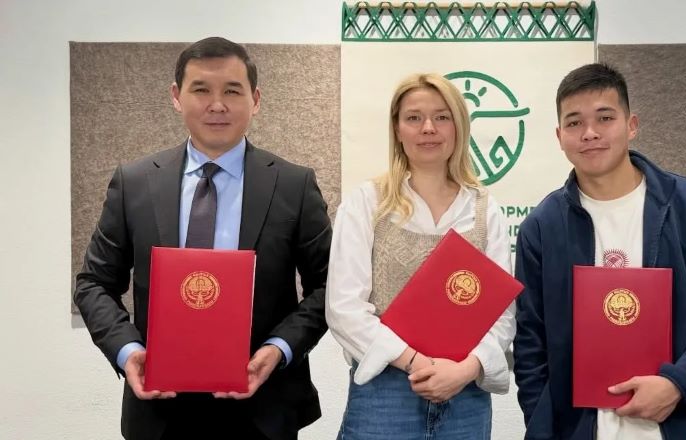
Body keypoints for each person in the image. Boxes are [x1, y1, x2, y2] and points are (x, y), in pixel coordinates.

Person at [74, 37, 332, 440]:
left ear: (255, 99)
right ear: (176, 97)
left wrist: (279, 348)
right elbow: (94, 284)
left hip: (264, 409)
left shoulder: (293, 185)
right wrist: (129, 352)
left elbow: (329, 286)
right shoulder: (135, 183)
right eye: (201, 90)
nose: (217, 104)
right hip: (159, 410)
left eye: (232, 91)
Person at [513, 63, 686, 439]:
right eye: (575, 123)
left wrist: (678, 383)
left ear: (631, 125)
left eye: (605, 118)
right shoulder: (542, 228)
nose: (590, 133)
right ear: (560, 137)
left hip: (680, 426)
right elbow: (531, 342)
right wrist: (542, 424)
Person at [325, 73, 515, 439]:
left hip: (465, 394)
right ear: (397, 129)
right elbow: (344, 307)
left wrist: (465, 369)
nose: (428, 128)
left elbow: (503, 313)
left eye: (442, 117)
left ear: (459, 127)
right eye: (414, 117)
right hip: (385, 394)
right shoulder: (367, 203)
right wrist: (415, 361)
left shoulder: (484, 209)